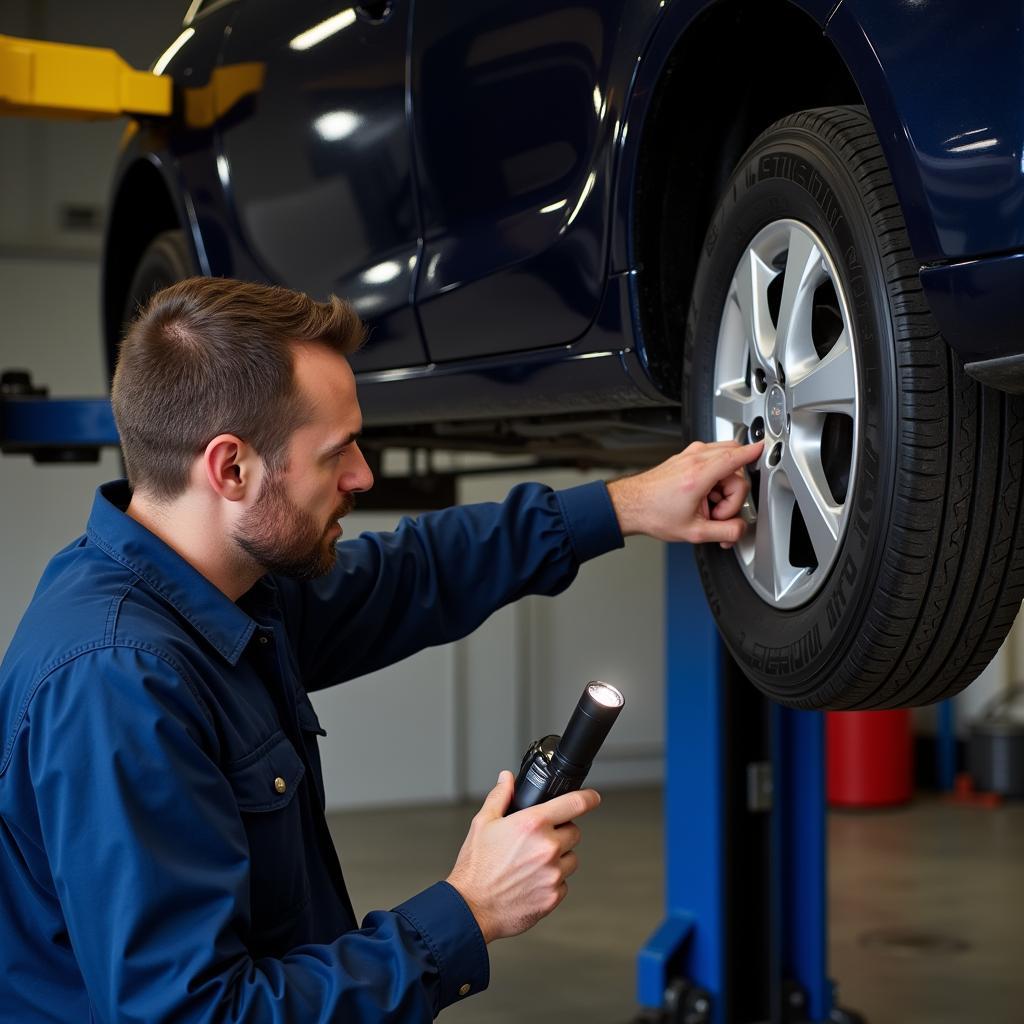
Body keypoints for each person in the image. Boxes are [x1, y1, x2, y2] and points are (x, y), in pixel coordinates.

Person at [0, 277, 763, 1022]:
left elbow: (414, 572)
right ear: (231, 468)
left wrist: (629, 504)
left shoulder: (223, 592)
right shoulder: (118, 684)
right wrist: (467, 911)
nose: (364, 475)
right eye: (338, 453)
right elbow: (198, 1013)